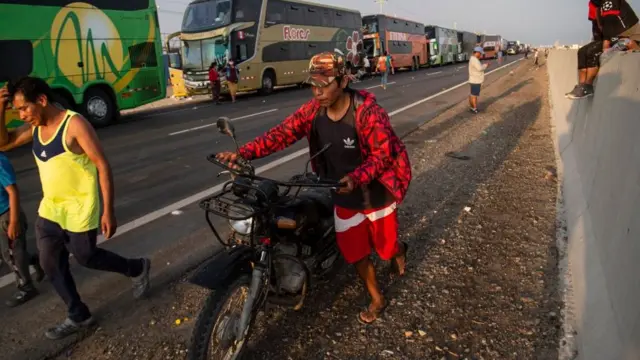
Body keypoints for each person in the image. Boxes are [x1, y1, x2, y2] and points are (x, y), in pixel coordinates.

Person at [216, 52, 412, 324]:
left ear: (343, 81)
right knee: (354, 251)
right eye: (314, 85)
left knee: (385, 248)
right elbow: (281, 134)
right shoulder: (312, 111)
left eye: (325, 84)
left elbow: (382, 155)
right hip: (341, 192)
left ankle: (398, 250)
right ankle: (377, 297)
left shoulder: (368, 112)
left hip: (375, 192)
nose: (318, 92)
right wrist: (244, 153)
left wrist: (356, 177)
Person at [0, 78, 151, 340]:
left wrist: (108, 210)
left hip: (80, 208)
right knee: (50, 263)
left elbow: (102, 165)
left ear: (42, 101)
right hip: (51, 209)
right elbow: (3, 143)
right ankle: (78, 315)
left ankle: (136, 267)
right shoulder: (35, 127)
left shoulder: (75, 125)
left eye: (24, 109)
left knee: (86, 256)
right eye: (18, 111)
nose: (22, 115)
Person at [0, 149, 45, 307]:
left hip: (7, 215)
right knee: (9, 253)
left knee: (11, 256)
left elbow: (12, 192)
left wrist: (13, 222)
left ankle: (26, 287)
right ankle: (35, 260)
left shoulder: (0, 161)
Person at [566, 0, 607, 99]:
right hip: (600, 37)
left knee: (591, 51)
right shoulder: (593, 4)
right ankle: (581, 86)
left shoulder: (608, 3)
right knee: (581, 52)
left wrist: (607, 42)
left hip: (612, 36)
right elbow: (595, 24)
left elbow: (612, 23)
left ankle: (588, 86)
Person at [468, 47, 489, 114]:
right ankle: (474, 109)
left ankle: (472, 107)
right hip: (476, 80)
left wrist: (483, 65)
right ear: (477, 52)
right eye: (480, 53)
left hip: (473, 80)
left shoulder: (473, 59)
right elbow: (479, 68)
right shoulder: (475, 60)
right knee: (474, 95)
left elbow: (477, 67)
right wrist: (486, 65)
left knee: (472, 95)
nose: (481, 55)